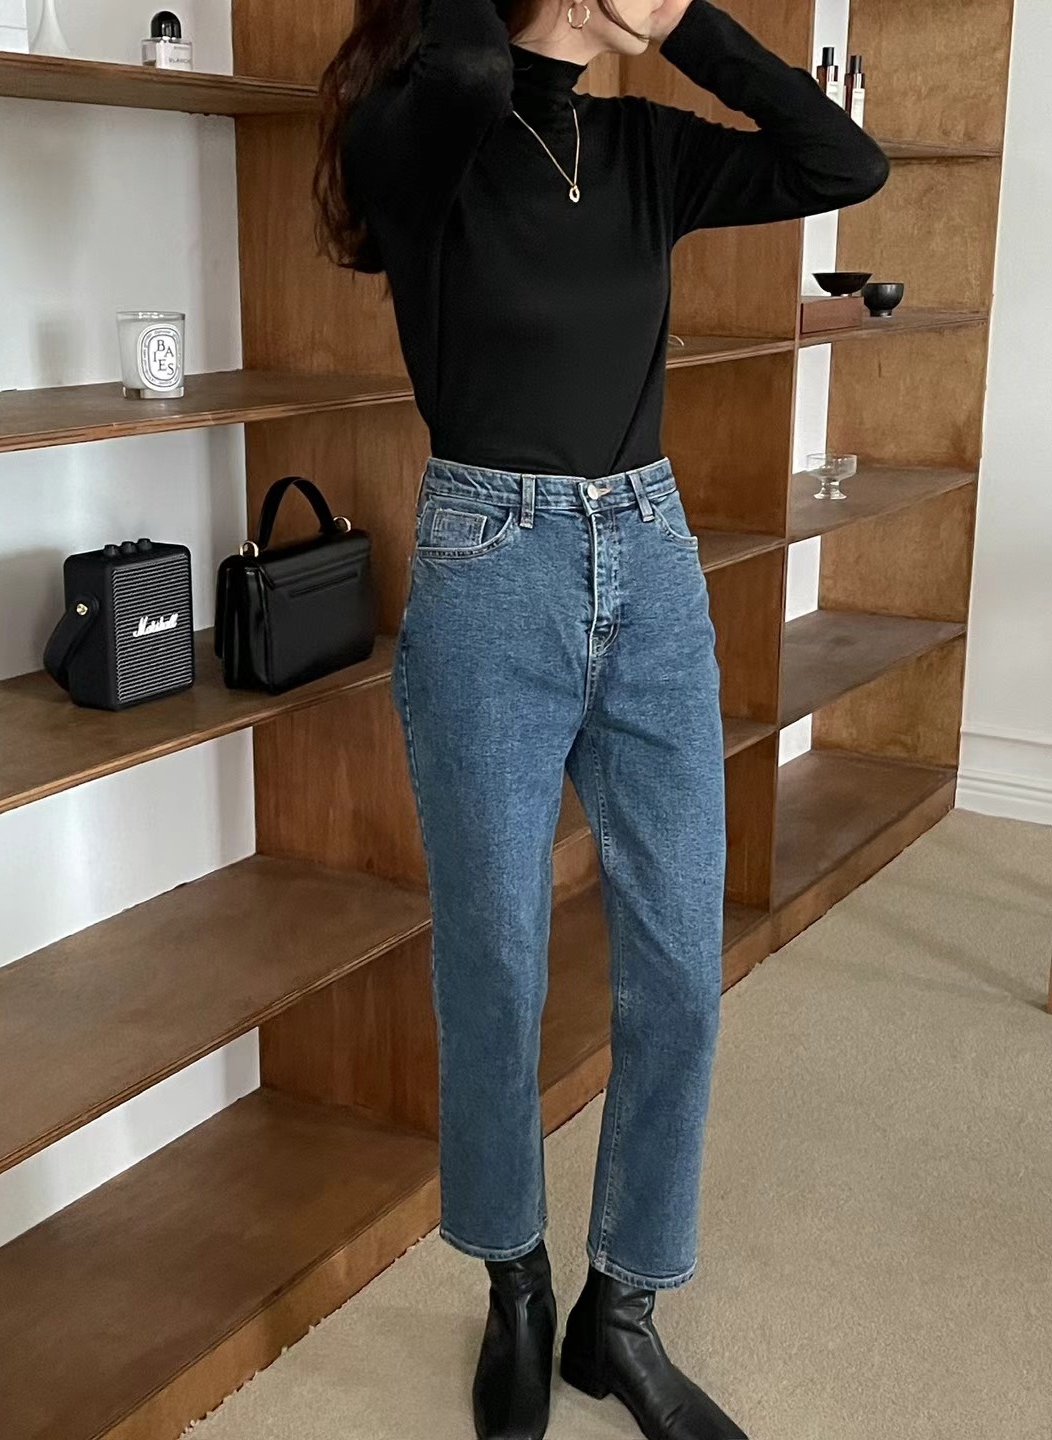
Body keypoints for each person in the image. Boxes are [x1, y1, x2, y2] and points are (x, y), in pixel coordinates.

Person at [315, 3, 887, 1436]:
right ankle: (513, 1284)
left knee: (683, 964)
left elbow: (845, 162)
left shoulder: (646, 150)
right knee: (496, 964)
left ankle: (618, 1312)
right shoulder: (422, 133)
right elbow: (464, 60)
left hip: (651, 560)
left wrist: (681, 20)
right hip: (487, 574)